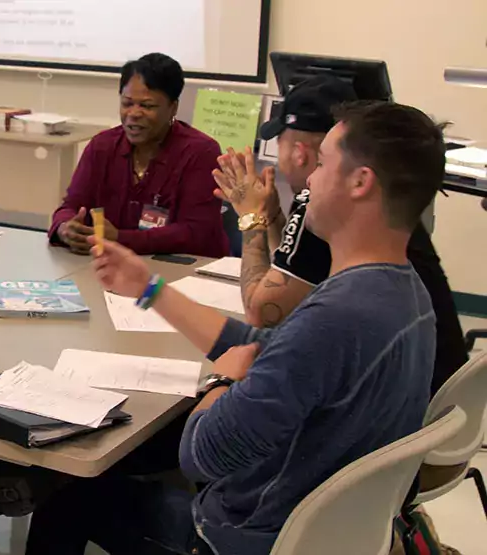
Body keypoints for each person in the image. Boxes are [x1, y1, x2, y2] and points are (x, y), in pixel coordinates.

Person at [26, 101, 444, 554]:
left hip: (240, 539)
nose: (311, 181)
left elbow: (203, 455)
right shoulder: (406, 294)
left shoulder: (334, 319)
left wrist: (223, 380)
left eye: (323, 163)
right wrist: (148, 288)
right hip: (325, 532)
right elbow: (267, 347)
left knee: (68, 493)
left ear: (361, 183)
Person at [215, 75, 467, 395]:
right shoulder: (381, 204)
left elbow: (263, 313)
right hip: (431, 394)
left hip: (407, 405)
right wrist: (274, 217)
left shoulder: (326, 207)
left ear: (300, 153)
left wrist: (250, 219)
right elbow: (293, 274)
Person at [50, 52, 227, 258]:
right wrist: (65, 227)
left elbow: (195, 233)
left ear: (173, 108)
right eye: (127, 103)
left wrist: (120, 239)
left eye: (147, 106)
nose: (133, 113)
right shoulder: (102, 146)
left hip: (183, 271)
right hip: (109, 268)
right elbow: (70, 206)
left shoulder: (201, 152)